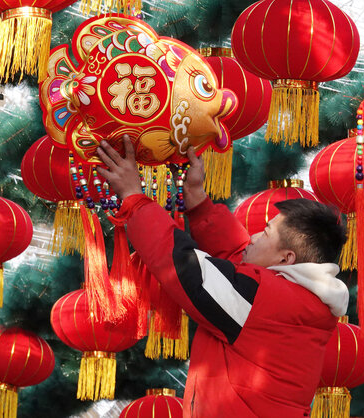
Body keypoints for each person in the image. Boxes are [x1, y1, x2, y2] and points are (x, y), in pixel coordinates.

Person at [98, 138, 349, 417]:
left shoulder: (264, 301)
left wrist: (134, 199)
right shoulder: (297, 300)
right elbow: (237, 258)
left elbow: (186, 268)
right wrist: (197, 201)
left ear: (286, 258)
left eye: (264, 234)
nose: (252, 238)